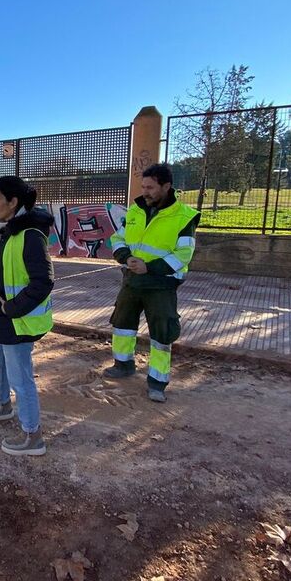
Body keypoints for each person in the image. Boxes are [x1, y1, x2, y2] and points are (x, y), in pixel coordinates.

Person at [103, 163, 200, 402]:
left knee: (161, 333)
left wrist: (150, 267)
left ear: (166, 187)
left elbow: (182, 255)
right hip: (132, 281)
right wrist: (126, 258)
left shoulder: (184, 217)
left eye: (151, 187)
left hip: (161, 285)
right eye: (143, 186)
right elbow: (118, 238)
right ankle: (123, 365)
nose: (145, 191)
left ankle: (157, 381)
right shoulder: (135, 210)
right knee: (123, 324)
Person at [0, 176, 54, 457]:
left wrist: (11, 308)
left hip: (16, 321)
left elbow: (43, 282)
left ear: (14, 202)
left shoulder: (30, 235)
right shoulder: (5, 230)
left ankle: (33, 435)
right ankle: (1, 405)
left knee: (21, 379)